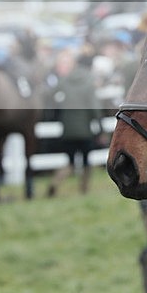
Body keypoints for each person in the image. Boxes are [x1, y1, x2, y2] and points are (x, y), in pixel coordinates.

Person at [45, 49, 102, 196]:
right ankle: (83, 190)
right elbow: (94, 108)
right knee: (86, 162)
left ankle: (55, 183)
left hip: (68, 129)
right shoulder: (88, 82)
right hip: (85, 129)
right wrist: (100, 127)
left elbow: (50, 96)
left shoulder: (64, 81)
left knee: (70, 162)